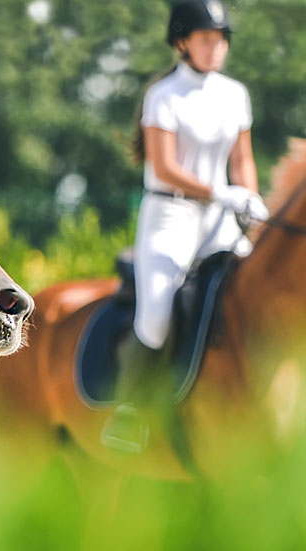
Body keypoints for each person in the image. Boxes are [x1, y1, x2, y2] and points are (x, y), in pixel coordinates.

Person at [101, 0, 269, 453]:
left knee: (260, 290)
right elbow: (165, 166)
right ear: (182, 42)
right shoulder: (164, 96)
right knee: (155, 316)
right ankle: (129, 412)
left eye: (221, 40)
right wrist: (221, 192)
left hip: (220, 220)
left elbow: (243, 159)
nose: (217, 49)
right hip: (169, 217)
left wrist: (249, 198)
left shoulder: (235, 94)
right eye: (206, 39)